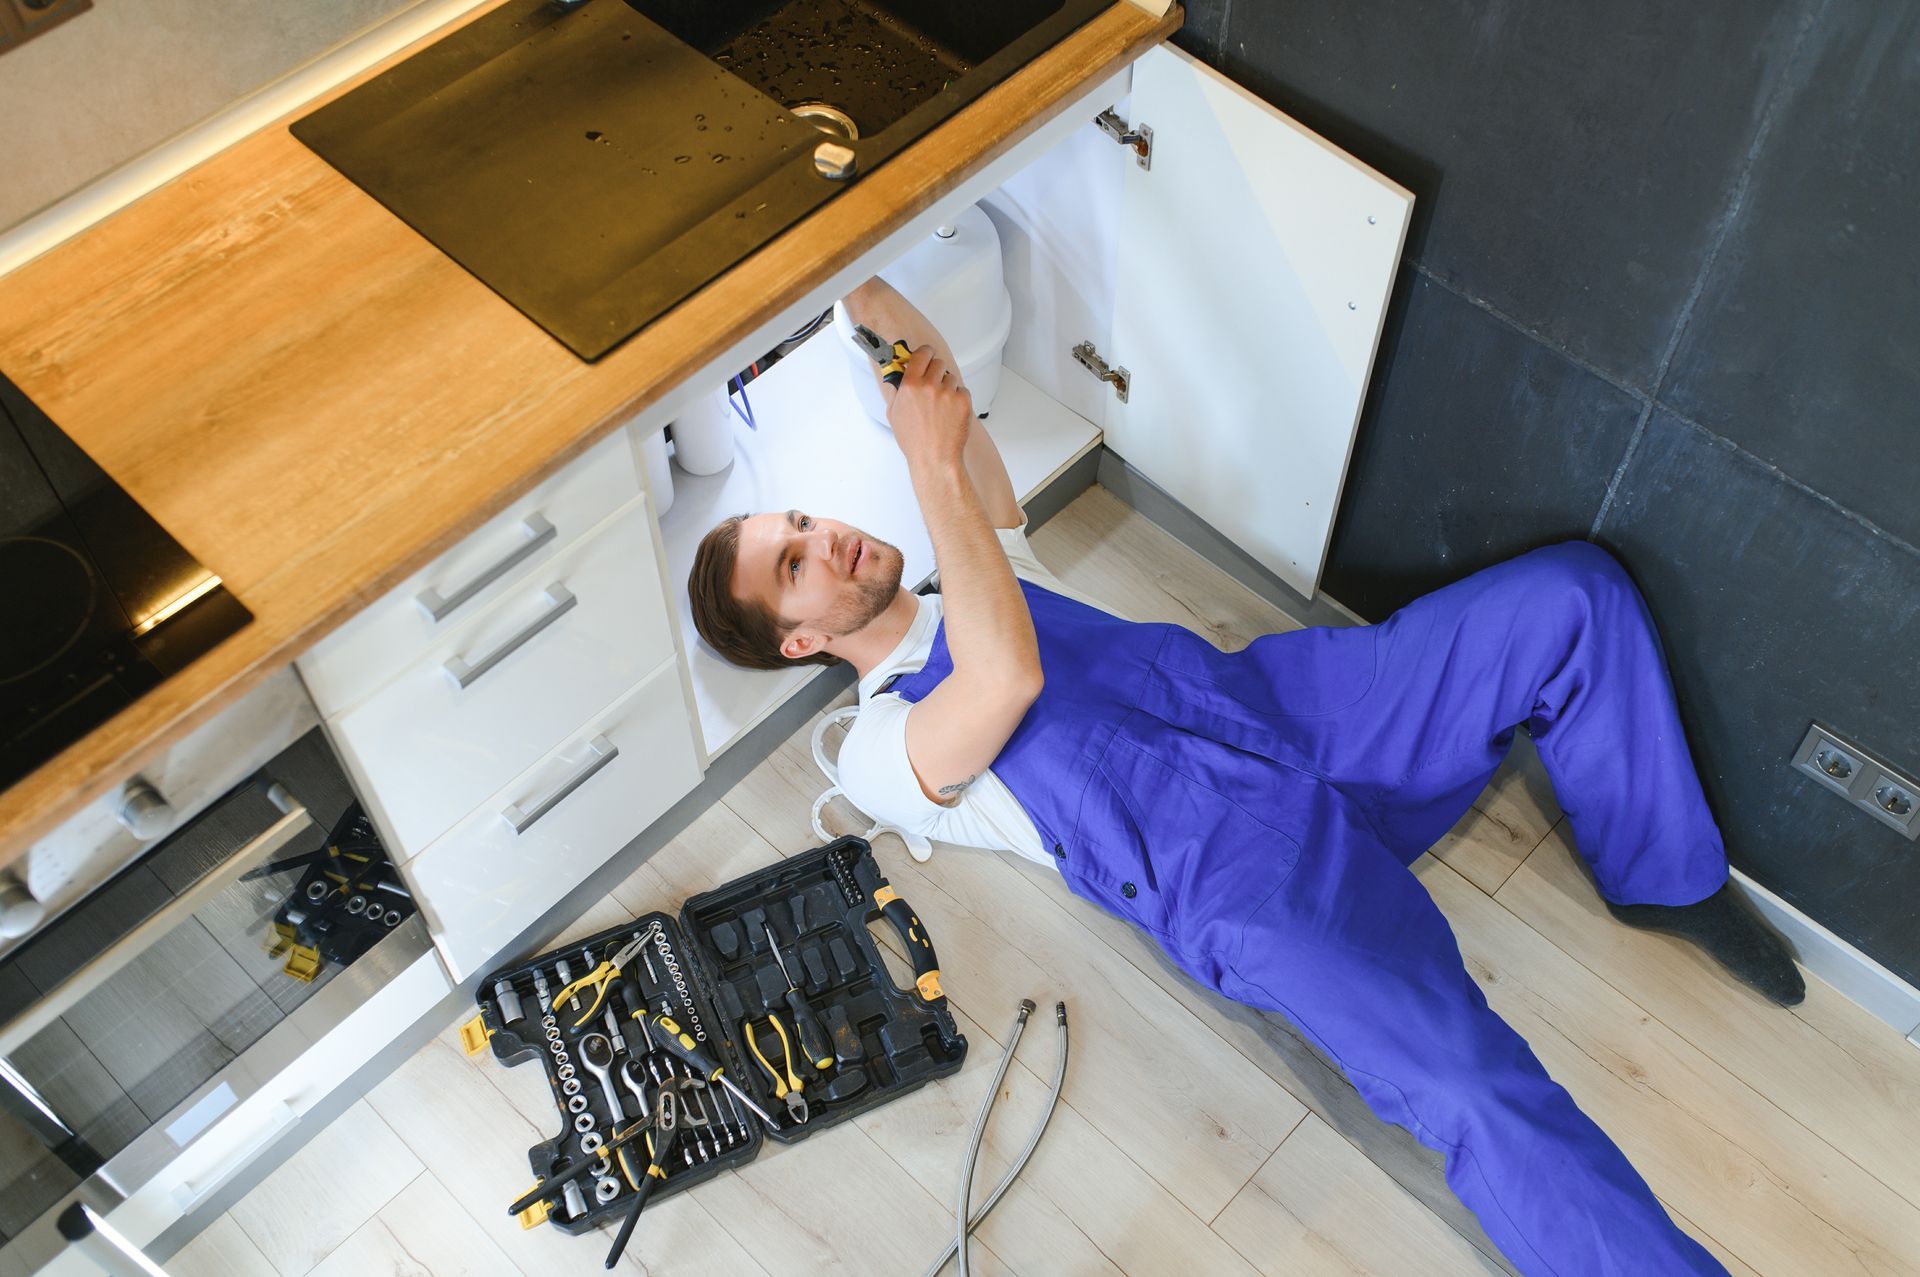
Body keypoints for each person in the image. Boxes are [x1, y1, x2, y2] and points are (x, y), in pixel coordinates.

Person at [687, 277, 1801, 1276]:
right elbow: (1005, 676)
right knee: (1473, 1094)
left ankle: (1665, 872)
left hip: (1289, 710)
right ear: (796, 643)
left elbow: (926, 365)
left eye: (803, 520)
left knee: (1572, 599)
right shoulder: (881, 749)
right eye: (794, 564)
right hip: (1237, 877)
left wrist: (847, 285)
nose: (825, 537)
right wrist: (928, 461)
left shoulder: (968, 569)